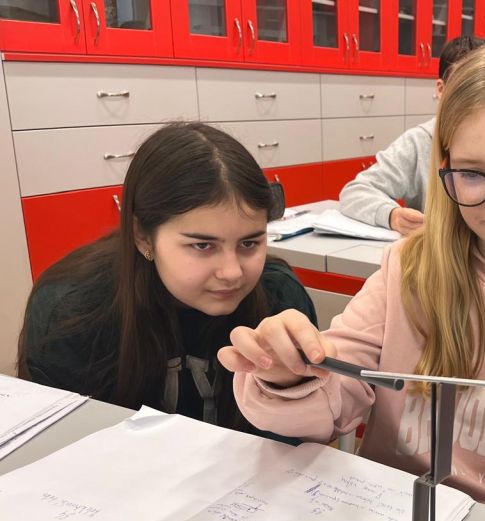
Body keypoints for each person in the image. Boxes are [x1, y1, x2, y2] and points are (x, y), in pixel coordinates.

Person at [220, 36, 485, 521]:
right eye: (471, 174)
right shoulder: (408, 271)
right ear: (444, 170)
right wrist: (288, 376)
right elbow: (330, 403)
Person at [18, 122, 316, 436]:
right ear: (143, 237)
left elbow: (302, 441)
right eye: (202, 246)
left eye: (249, 243)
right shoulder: (71, 309)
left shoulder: (279, 299)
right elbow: (58, 445)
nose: (232, 272)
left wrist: (290, 386)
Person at [338, 35, 485, 236]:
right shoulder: (419, 142)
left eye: (481, 89)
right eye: (462, 90)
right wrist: (392, 215)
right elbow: (356, 191)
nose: (474, 100)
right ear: (441, 90)